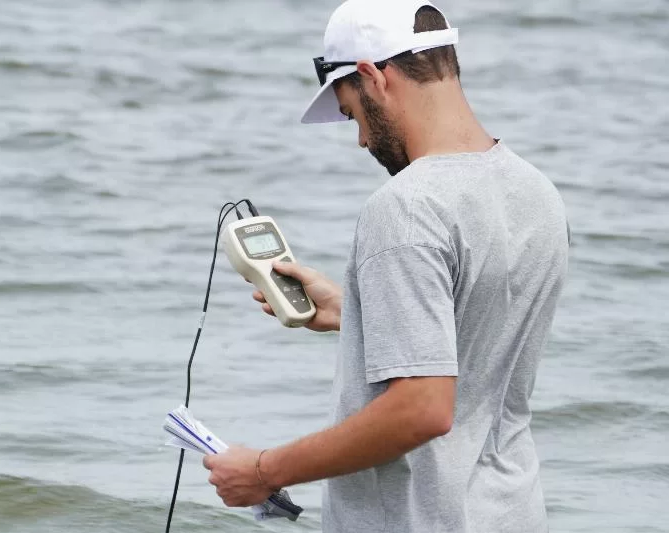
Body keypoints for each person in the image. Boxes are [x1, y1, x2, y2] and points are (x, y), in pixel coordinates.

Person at [203, 0, 570, 531]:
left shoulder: (405, 207)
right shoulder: (536, 191)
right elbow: (477, 343)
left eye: (352, 113)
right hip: (513, 512)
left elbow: (423, 409)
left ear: (374, 77)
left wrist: (263, 470)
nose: (361, 140)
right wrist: (356, 314)